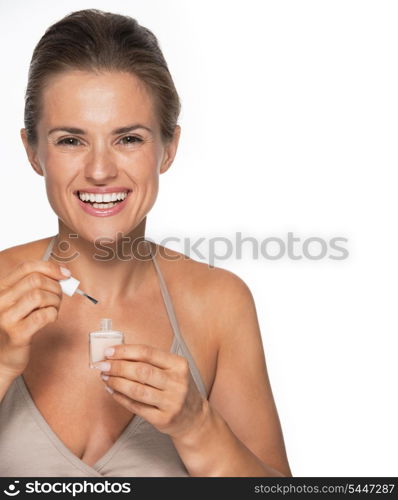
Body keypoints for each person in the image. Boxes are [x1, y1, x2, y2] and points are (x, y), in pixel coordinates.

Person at [0, 8, 291, 477]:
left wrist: (198, 427)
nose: (99, 171)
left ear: (168, 148)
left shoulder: (219, 305)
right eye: (71, 140)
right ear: (33, 151)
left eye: (128, 139)